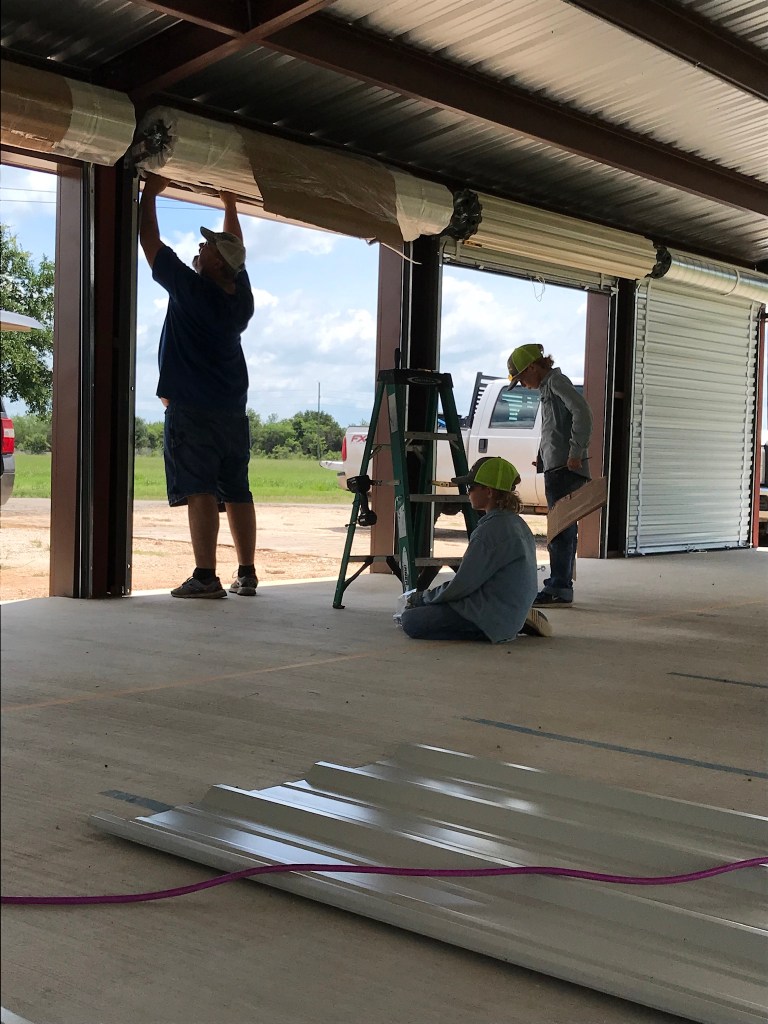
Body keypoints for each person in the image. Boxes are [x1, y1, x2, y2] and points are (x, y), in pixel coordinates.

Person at [138, 173, 258, 599]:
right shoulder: (239, 298)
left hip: (192, 411)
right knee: (237, 490)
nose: (201, 246)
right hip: (232, 411)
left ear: (217, 264)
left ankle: (206, 577)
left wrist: (150, 192)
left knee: (200, 489)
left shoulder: (192, 291)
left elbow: (150, 243)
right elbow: (235, 248)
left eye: (207, 247)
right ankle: (247, 573)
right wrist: (230, 204)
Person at [399, 456, 550, 642]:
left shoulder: (489, 532)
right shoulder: (518, 524)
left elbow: (461, 586)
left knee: (410, 620)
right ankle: (517, 617)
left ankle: (500, 626)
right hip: (508, 605)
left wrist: (423, 598)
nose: (467, 492)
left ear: (489, 491)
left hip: (488, 616)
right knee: (433, 607)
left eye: (471, 487)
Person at [507, 344, 593, 607]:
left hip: (565, 469)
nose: (523, 384)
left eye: (522, 378)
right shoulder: (548, 387)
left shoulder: (556, 382)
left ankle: (558, 588)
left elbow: (582, 412)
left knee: (560, 531)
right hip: (557, 466)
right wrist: (543, 456)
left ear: (533, 367)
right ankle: (560, 584)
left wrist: (575, 451)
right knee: (563, 529)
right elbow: (554, 428)